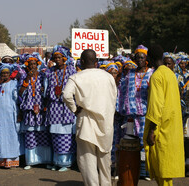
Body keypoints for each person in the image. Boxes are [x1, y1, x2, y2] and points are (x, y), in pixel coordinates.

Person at [63, 49, 117, 185]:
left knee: (88, 162)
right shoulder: (108, 77)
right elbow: (114, 97)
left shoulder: (76, 77)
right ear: (96, 62)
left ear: (81, 62)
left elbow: (66, 95)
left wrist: (75, 109)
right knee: (105, 162)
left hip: (86, 124)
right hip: (106, 123)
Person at [143, 45, 185, 185]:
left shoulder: (156, 76)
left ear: (149, 59)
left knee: (162, 168)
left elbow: (156, 105)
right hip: (172, 126)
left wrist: (151, 130)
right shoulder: (170, 74)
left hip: (161, 128)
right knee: (166, 169)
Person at [117, 45, 154, 180]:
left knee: (145, 143)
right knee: (132, 144)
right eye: (137, 57)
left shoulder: (152, 73)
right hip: (130, 116)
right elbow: (121, 92)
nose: (139, 60)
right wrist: (120, 109)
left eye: (142, 58)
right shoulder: (129, 74)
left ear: (146, 60)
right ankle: (133, 170)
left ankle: (146, 171)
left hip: (145, 115)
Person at [44, 45, 77, 171]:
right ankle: (56, 161)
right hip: (54, 107)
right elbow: (45, 89)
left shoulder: (71, 71)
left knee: (66, 135)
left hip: (67, 107)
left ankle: (66, 163)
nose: (57, 59)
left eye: (59, 57)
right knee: (55, 135)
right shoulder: (50, 71)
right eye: (55, 57)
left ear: (64, 58)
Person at [19, 54, 52, 170]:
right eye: (30, 64)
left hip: (41, 108)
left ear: (38, 65)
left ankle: (45, 160)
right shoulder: (24, 76)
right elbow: (20, 92)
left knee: (43, 135)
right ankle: (31, 161)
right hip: (29, 109)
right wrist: (28, 78)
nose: (33, 66)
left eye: (34, 64)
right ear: (27, 66)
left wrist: (44, 90)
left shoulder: (43, 76)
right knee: (30, 135)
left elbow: (48, 90)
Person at [0, 63, 22, 168]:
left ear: (10, 74)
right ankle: (0, 161)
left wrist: (20, 113)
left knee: (12, 136)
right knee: (0, 135)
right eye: (3, 73)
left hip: (11, 114)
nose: (5, 75)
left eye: (7, 73)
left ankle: (12, 161)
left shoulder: (14, 83)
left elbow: (18, 99)